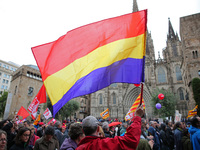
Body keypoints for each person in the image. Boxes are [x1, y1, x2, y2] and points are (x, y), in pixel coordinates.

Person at [76, 105, 144, 150]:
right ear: (98, 129)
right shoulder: (102, 145)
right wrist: (137, 117)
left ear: (83, 131)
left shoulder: (78, 148)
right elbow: (130, 141)